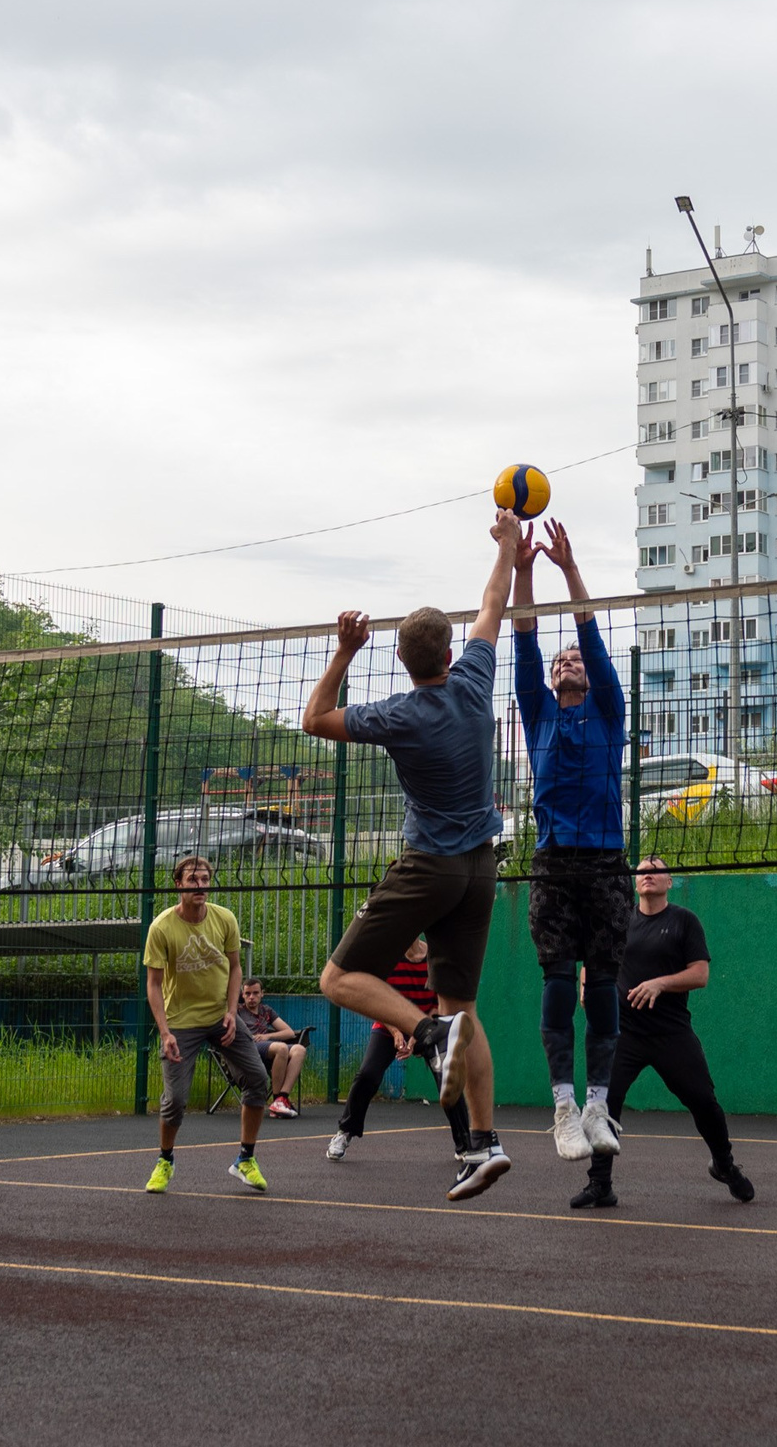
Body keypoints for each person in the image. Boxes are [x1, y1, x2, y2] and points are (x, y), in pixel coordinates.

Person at [307, 511, 520, 1202]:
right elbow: (493, 602)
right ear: (451, 653)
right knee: (465, 1008)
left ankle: (427, 1034)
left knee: (338, 978)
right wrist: (508, 547)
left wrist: (345, 651)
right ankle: (482, 1145)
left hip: (429, 864)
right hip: (482, 867)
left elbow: (314, 719)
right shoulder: (475, 681)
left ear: (402, 660)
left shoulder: (398, 714)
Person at [509, 518, 631, 1164]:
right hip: (555, 863)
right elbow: (525, 637)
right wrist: (524, 570)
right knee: (559, 980)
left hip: (607, 862)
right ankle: (562, 1106)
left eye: (575, 660)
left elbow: (591, 632)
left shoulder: (609, 709)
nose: (567, 663)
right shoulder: (539, 714)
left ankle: (597, 1105)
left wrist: (569, 568)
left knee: (604, 984)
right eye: (561, 663)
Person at [572, 858, 752, 1210]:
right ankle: (600, 1185)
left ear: (670, 881)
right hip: (624, 1034)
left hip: (671, 1033)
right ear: (635, 882)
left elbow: (700, 974)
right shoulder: (619, 921)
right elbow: (592, 963)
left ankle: (724, 1165)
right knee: (603, 1105)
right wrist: (586, 986)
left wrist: (660, 984)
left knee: (704, 1101)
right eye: (642, 870)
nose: (648, 874)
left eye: (656, 869)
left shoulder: (684, 921)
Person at [142, 856, 270, 1194]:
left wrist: (231, 1011)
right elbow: (153, 985)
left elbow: (235, 968)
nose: (200, 885)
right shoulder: (161, 928)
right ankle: (165, 1160)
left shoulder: (224, 918)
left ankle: (245, 1159)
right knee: (176, 1100)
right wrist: (165, 1032)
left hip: (220, 1017)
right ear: (179, 884)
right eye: (193, 879)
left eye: (205, 879)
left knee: (258, 1079)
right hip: (181, 1023)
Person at [327, 938, 432, 1162]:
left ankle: (466, 1143)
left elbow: (439, 1002)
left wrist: (417, 1034)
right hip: (388, 1025)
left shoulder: (434, 956)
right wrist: (395, 1031)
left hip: (426, 1024)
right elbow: (374, 1000)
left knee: (448, 1074)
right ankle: (345, 1131)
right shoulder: (386, 956)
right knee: (367, 1074)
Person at [237, 979, 306, 1119]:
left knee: (299, 1050)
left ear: (262, 994)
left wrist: (267, 1036)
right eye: (248, 993)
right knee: (281, 1048)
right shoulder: (238, 1011)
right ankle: (277, 1100)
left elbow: (289, 1032)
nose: (251, 997)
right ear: (242, 995)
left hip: (267, 1046)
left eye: (255, 993)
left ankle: (281, 1098)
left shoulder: (266, 1010)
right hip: (248, 1047)